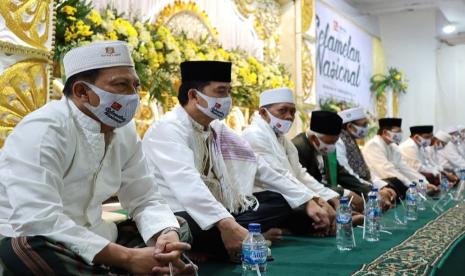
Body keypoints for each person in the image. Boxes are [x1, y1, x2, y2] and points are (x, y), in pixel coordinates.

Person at [0, 41, 195, 275]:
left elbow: (145, 198)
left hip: (98, 235)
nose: (133, 96)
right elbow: (39, 220)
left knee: (176, 223)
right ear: (82, 91)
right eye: (121, 85)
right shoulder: (44, 129)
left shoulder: (124, 130)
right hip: (45, 240)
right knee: (22, 248)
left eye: (135, 85)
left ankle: (151, 264)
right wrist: (128, 258)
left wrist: (166, 238)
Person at [142, 62, 331, 261]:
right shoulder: (168, 129)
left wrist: (307, 198)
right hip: (181, 213)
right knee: (188, 225)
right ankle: (230, 240)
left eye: (229, 92)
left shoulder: (216, 128)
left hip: (219, 210)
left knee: (279, 200)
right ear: (193, 96)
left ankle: (229, 241)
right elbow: (189, 187)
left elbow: (258, 165)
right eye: (220, 91)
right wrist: (227, 224)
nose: (227, 99)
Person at [290, 110, 367, 212]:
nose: (333, 147)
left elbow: (342, 174)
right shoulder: (297, 148)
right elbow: (308, 183)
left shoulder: (323, 146)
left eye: (335, 142)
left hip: (328, 194)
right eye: (330, 142)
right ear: (314, 138)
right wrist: (344, 193)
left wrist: (369, 191)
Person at [336, 107, 398, 210]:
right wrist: (376, 191)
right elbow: (349, 175)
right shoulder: (339, 142)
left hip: (362, 186)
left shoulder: (351, 141)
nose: (367, 128)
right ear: (350, 126)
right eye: (364, 125)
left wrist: (382, 186)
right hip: (350, 189)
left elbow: (366, 172)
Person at [362, 118, 438, 196]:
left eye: (400, 132)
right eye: (397, 132)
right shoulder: (374, 145)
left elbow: (404, 167)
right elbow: (386, 170)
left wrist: (424, 183)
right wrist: (409, 184)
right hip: (379, 183)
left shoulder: (393, 146)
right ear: (385, 132)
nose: (400, 134)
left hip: (393, 179)